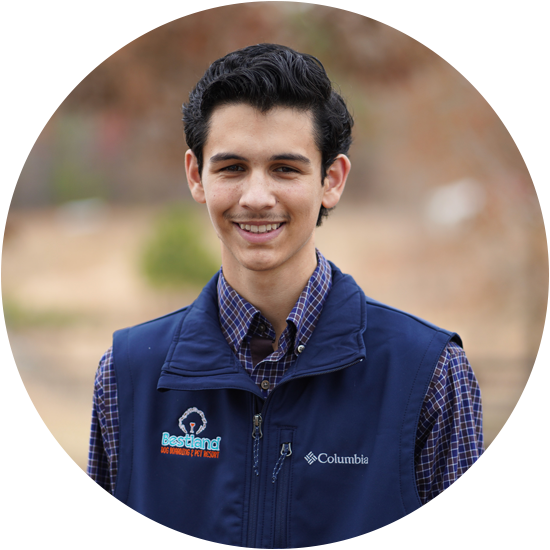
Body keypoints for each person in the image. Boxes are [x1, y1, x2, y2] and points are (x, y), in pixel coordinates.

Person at [79, 44, 487, 549]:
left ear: (331, 180)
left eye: (285, 169)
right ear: (196, 176)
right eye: (232, 168)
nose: (256, 197)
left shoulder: (429, 375)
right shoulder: (126, 377)